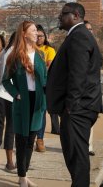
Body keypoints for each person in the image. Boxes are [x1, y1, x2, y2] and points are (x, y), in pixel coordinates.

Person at [46, 3, 103, 187]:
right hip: (78, 107)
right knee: (75, 157)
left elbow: (78, 75)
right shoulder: (78, 35)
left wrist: (70, 106)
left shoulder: (79, 36)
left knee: (77, 158)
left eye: (63, 14)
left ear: (76, 15)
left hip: (78, 109)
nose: (59, 17)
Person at [3, 21, 47, 187]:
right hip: (22, 102)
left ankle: (24, 174)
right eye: (34, 30)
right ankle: (22, 177)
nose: (37, 33)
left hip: (38, 102)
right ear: (24, 33)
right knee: (21, 141)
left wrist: (46, 99)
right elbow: (6, 81)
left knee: (31, 141)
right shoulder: (14, 56)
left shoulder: (40, 55)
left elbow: (46, 79)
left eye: (37, 31)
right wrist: (17, 94)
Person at [0, 32, 16, 172]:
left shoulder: (7, 51)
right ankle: (10, 162)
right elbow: (6, 75)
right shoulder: (11, 52)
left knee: (12, 127)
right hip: (12, 94)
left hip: (8, 93)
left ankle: (12, 161)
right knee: (12, 127)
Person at [35, 24, 58, 153]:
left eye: (41, 36)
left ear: (45, 37)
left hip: (44, 86)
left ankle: (40, 139)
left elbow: (48, 67)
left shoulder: (49, 50)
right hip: (29, 86)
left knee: (42, 112)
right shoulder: (28, 49)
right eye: (36, 36)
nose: (39, 38)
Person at [84, 20, 96, 156]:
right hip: (80, 89)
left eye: (91, 29)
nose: (89, 31)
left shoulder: (95, 46)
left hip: (92, 89)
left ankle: (89, 146)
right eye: (87, 29)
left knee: (91, 119)